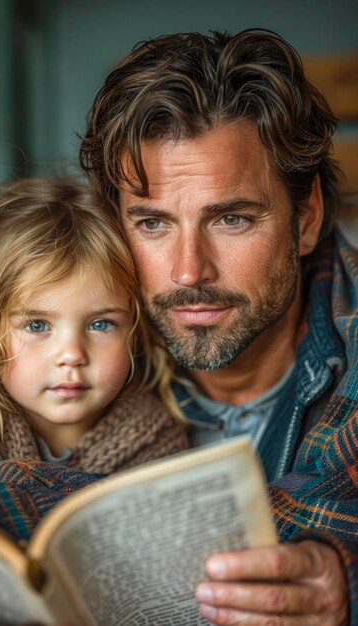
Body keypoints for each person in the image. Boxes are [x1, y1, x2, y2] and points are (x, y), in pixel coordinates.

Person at [79, 28, 358, 625]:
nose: (188, 272)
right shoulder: (69, 352)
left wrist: (349, 587)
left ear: (304, 218)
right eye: (152, 224)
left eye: (231, 218)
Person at [0, 177, 188, 474]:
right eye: (36, 326)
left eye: (100, 324)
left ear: (134, 332)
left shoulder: (160, 447)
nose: (71, 355)